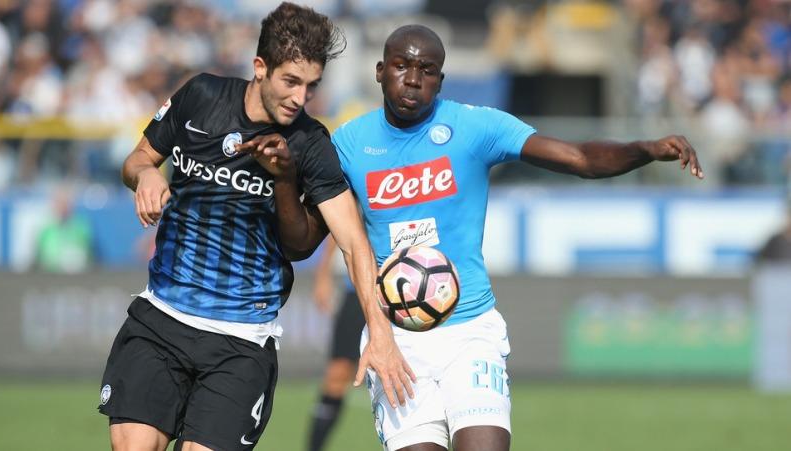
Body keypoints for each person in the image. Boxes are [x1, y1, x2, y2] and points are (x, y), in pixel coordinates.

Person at [293, 25, 704, 451]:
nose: (413, 79)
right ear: (380, 71)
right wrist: (286, 179)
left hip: (471, 331)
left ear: (440, 80)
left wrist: (644, 150)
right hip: (396, 340)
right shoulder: (349, 144)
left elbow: (579, 158)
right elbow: (305, 239)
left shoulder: (475, 126)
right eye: (401, 66)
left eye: (427, 70)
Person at [97, 4, 414, 451]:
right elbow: (137, 160)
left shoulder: (310, 144)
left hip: (240, 342)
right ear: (260, 67)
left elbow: (352, 243)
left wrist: (380, 334)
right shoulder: (200, 96)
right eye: (291, 81)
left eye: (311, 86)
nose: (300, 98)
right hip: (161, 322)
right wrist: (146, 174)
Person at [306, 236, 365, 451]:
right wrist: (323, 274)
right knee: (337, 373)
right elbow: (338, 227)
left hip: (406, 289)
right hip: (359, 289)